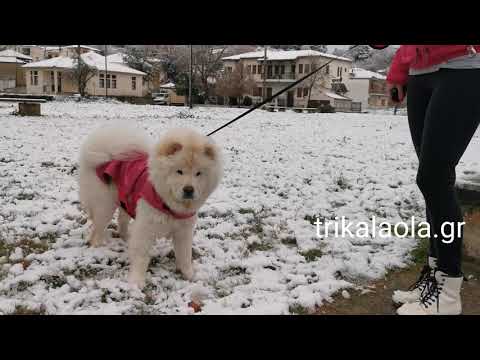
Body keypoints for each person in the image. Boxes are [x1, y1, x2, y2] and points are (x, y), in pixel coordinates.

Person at [386, 45, 480, 315]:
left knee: (433, 178)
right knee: (433, 181)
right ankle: (435, 278)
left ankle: (449, 290)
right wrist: (399, 70)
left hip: (465, 65)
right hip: (419, 69)